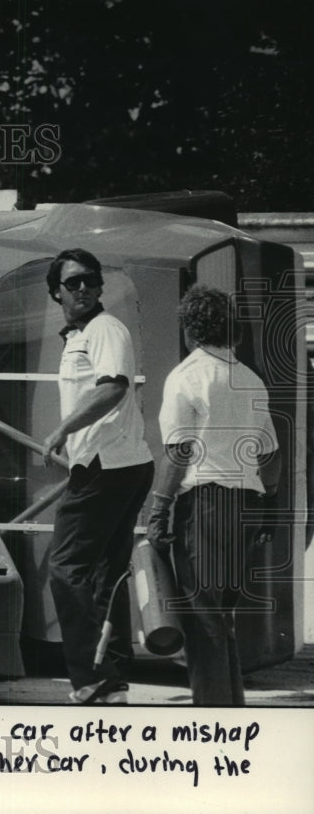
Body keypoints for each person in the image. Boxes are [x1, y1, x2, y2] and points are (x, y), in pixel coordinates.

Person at [147, 285, 280, 706]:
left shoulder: (187, 377)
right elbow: (271, 455)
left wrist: (158, 511)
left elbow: (178, 452)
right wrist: (268, 506)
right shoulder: (251, 380)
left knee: (203, 619)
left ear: (190, 330)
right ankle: (231, 707)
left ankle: (213, 717)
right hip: (247, 506)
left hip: (205, 504)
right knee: (223, 616)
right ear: (233, 331)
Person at [40, 249, 154, 704]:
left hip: (108, 467)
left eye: (89, 280)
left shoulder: (105, 329)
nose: (83, 288)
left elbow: (112, 388)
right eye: (73, 283)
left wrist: (63, 430)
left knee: (65, 569)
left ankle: (92, 676)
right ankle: (115, 670)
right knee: (106, 571)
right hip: (115, 464)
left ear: (100, 286)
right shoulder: (80, 335)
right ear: (56, 292)